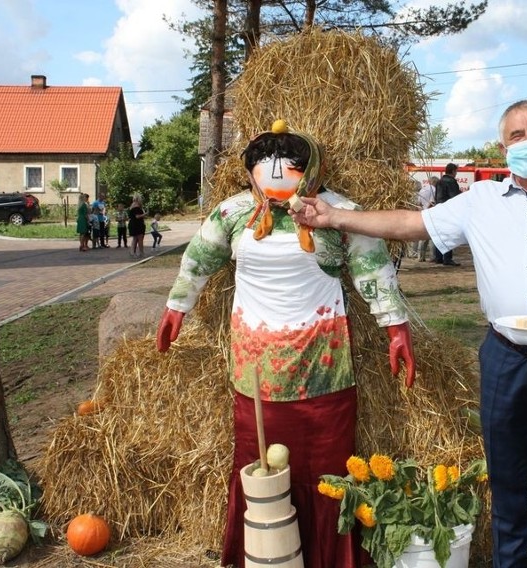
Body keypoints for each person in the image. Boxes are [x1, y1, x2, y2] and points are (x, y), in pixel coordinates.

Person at [290, 99, 527, 567]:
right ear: (503, 149)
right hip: (504, 358)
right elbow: (408, 222)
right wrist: (333, 217)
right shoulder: (479, 202)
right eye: (517, 136)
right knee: (506, 483)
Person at [156, 121, 414, 568]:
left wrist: (395, 325)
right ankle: (259, 554)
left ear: (311, 169)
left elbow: (372, 268)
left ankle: (330, 557)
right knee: (260, 465)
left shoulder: (337, 212)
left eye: (289, 168)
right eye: (263, 166)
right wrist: (177, 305)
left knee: (327, 466)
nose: (274, 174)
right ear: (249, 170)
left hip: (324, 365)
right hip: (257, 370)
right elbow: (199, 257)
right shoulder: (233, 213)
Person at [432, 163, 461, 266]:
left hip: (439, 208)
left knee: (439, 233)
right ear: (453, 171)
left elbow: (436, 196)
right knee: (449, 234)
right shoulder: (451, 181)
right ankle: (447, 258)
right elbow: (454, 197)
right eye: (456, 171)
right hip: (449, 210)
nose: (456, 173)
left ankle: (438, 257)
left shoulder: (439, 181)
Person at [415, 176, 437, 261]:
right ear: (435, 182)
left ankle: (420, 256)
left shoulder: (422, 189)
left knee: (422, 237)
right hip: (430, 214)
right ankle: (432, 257)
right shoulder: (433, 189)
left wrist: (422, 211)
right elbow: (432, 202)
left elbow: (418, 203)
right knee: (432, 237)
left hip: (422, 214)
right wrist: (427, 210)